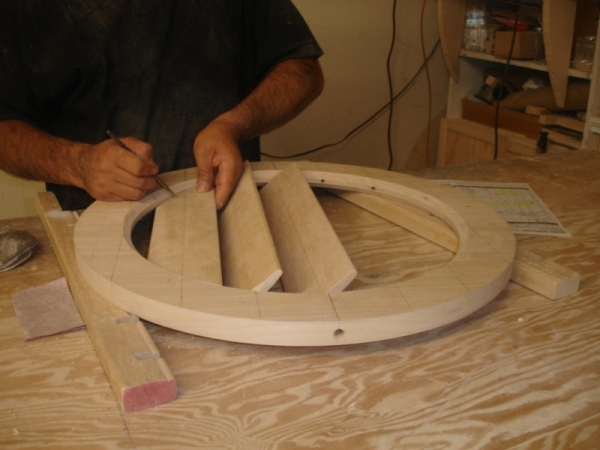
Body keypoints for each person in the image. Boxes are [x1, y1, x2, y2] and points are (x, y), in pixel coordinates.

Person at [0, 1, 324, 211]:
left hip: (229, 209)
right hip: (91, 225)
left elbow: (302, 70)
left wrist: (232, 125)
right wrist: (79, 164)